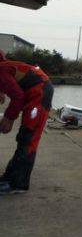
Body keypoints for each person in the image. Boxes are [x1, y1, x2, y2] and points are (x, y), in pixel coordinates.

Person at [0, 50, 54, 194]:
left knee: (28, 138)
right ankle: (9, 178)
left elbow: (18, 97)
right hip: (37, 88)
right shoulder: (4, 67)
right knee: (24, 137)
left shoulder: (1, 71)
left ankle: (18, 184)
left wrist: (9, 118)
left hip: (40, 92)